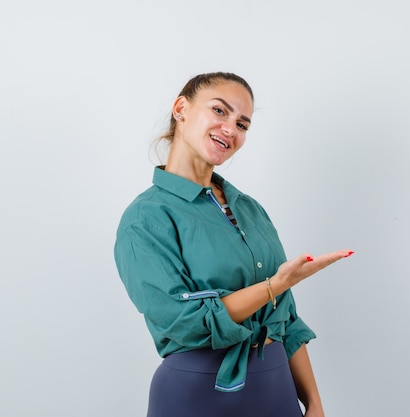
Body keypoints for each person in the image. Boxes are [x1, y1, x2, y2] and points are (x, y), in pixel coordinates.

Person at [114, 72, 353, 417]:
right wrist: (275, 284)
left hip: (277, 390)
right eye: (220, 111)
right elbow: (181, 320)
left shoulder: (250, 209)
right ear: (181, 108)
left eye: (242, 124)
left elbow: (285, 317)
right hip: (197, 395)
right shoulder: (145, 218)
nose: (231, 128)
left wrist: (314, 403)